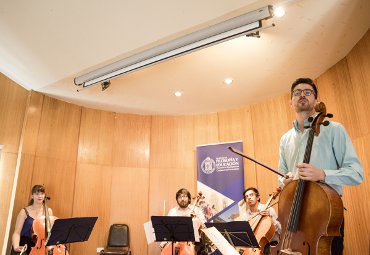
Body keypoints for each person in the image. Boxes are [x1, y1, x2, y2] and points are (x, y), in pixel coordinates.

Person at [278, 77, 364, 254]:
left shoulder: (334, 129)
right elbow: (282, 175)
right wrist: (285, 181)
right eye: (297, 92)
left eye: (308, 92)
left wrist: (323, 174)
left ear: (316, 100)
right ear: (291, 102)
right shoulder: (285, 139)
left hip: (325, 216)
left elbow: (356, 174)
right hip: (294, 215)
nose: (302, 95)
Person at [160, 188, 206, 254]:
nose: (182, 199)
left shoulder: (196, 210)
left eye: (184, 196)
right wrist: (163, 241)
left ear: (189, 198)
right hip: (174, 242)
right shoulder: (172, 211)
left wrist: (197, 219)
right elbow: (167, 230)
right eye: (179, 197)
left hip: (191, 242)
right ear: (177, 200)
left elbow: (204, 226)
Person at [11, 184, 53, 255]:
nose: (40, 196)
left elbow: (50, 232)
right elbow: (17, 232)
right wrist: (16, 246)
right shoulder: (24, 211)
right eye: (37, 194)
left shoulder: (48, 211)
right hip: (25, 244)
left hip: (40, 245)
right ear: (32, 196)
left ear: (44, 196)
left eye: (42, 194)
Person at [239, 187, 281, 255]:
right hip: (253, 246)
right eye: (246, 196)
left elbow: (280, 230)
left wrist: (271, 219)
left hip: (270, 245)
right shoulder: (245, 216)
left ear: (258, 197)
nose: (249, 198)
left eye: (251, 195)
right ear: (246, 201)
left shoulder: (269, 209)